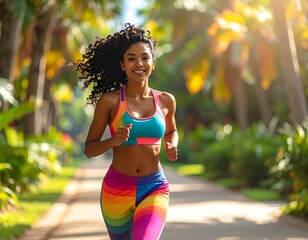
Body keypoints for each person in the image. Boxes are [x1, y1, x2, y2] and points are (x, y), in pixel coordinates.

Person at [74, 23, 179, 240]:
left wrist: (172, 144)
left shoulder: (166, 100)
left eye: (144, 57)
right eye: (131, 58)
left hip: (154, 187)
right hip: (116, 190)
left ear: (153, 62)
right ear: (122, 65)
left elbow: (171, 131)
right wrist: (113, 140)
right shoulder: (110, 101)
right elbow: (90, 150)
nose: (138, 63)